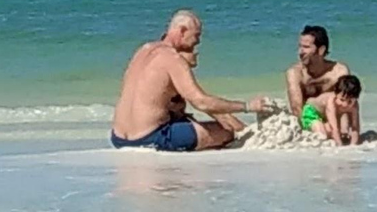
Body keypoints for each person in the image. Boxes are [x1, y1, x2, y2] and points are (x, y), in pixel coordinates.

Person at [111, 9, 266, 151]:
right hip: (150, 138)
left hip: (118, 138)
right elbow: (201, 102)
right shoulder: (173, 58)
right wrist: (248, 106)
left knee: (182, 115)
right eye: (196, 35)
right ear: (182, 31)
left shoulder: (143, 50)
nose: (197, 42)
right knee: (224, 132)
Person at [168, 50, 246, 133]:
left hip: (171, 124)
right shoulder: (175, 79)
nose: (196, 52)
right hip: (166, 130)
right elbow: (202, 103)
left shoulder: (173, 76)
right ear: (178, 55)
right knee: (225, 132)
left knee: (224, 128)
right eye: (190, 50)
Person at [285, 25, 350, 118]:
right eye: (300, 46)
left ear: (321, 50)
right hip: (309, 121)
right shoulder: (295, 73)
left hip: (333, 122)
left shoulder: (338, 72)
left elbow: (347, 106)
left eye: (306, 47)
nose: (300, 52)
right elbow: (296, 109)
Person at [301, 75, 362, 146]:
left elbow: (355, 128)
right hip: (312, 112)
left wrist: (353, 145)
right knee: (322, 134)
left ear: (356, 98)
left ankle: (325, 125)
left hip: (326, 116)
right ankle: (314, 127)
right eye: (342, 100)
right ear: (336, 94)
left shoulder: (355, 105)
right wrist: (340, 146)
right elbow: (334, 129)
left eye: (350, 101)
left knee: (342, 132)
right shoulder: (331, 101)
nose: (345, 104)